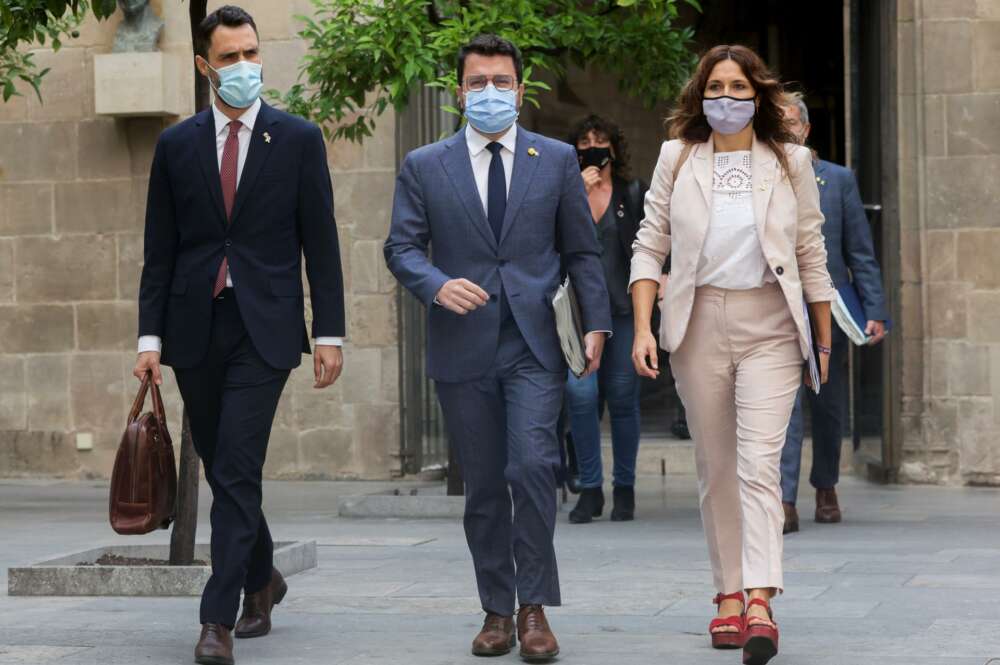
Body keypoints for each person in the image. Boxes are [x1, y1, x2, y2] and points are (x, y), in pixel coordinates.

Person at [384, 34, 611, 662]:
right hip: (462, 346)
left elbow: (580, 251)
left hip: (534, 343)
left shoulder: (556, 158)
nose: (490, 92)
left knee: (533, 466)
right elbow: (400, 248)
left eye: (502, 82)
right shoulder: (426, 165)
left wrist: (598, 325)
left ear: (519, 87)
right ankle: (496, 610)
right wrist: (435, 284)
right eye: (478, 82)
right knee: (484, 484)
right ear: (459, 92)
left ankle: (535, 608)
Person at [133, 6, 346, 665]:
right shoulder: (176, 146)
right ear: (205, 66)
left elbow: (323, 244)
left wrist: (330, 331)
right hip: (194, 327)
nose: (243, 67)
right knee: (228, 468)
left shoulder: (299, 139)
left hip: (267, 328)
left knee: (237, 463)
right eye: (228, 58)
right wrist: (148, 339)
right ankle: (264, 576)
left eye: (250, 53)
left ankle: (215, 618)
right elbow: (159, 252)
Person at [629, 45, 835, 665]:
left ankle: (760, 601)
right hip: (696, 324)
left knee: (758, 464)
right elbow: (648, 245)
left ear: (757, 95)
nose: (727, 98)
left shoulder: (790, 161)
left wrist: (821, 341)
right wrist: (643, 327)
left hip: (771, 322)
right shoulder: (676, 156)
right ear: (701, 96)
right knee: (716, 467)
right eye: (715, 87)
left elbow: (810, 254)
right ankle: (726, 594)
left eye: (738, 87)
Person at [779, 92, 888, 533]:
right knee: (783, 406)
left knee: (825, 405)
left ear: (805, 129)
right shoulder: (758, 177)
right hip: (777, 308)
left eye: (791, 122)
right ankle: (783, 500)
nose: (785, 129)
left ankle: (825, 485)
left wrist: (875, 308)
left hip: (830, 308)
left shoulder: (837, 180)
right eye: (777, 121)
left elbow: (860, 250)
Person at [565, 114, 646, 524]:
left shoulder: (631, 194)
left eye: (600, 140)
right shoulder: (565, 192)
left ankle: (625, 488)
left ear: (614, 148)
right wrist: (575, 193)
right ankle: (590, 489)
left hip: (624, 310)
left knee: (622, 397)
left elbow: (655, 244)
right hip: (577, 316)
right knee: (580, 398)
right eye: (584, 141)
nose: (592, 147)